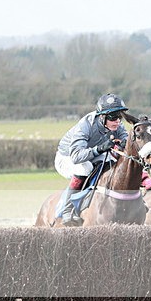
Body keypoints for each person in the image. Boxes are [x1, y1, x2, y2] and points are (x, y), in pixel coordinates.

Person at [54, 93, 129, 225]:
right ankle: (67, 209)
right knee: (85, 168)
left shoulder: (117, 125)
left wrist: (124, 144)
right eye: (113, 117)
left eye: (119, 117)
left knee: (112, 161)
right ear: (102, 116)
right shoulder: (86, 125)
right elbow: (76, 156)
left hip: (88, 155)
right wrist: (99, 149)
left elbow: (126, 141)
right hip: (66, 157)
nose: (117, 121)